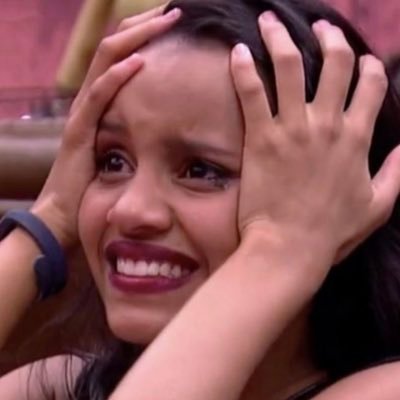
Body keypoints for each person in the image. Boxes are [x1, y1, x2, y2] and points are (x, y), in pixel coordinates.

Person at [1, 0, 400, 399]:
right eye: (112, 161)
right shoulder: (66, 384)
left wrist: (282, 246)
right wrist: (50, 218)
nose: (129, 209)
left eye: (202, 171)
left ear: (334, 198)